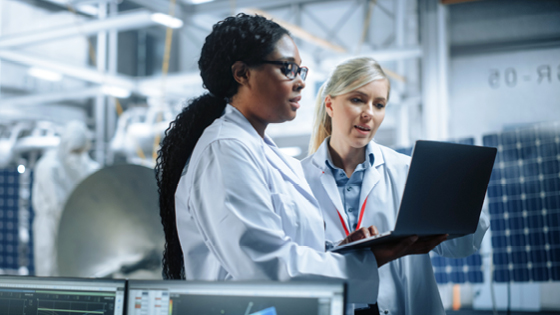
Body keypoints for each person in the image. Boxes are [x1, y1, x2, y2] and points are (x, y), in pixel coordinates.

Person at [155, 14, 445, 314]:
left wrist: (342, 250)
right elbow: (264, 267)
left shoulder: (270, 155)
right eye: (288, 69)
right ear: (242, 73)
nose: (301, 83)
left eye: (301, 70)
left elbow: (293, 250)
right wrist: (369, 260)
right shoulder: (224, 149)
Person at [301, 57, 490, 314]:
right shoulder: (297, 178)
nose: (369, 112)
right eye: (357, 99)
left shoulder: (409, 171)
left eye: (379, 104)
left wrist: (463, 203)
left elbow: (459, 248)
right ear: (330, 104)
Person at [32, 120, 99, 276]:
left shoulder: (85, 164)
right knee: (50, 271)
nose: (77, 155)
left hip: (76, 228)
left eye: (80, 151)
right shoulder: (49, 167)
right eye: (74, 150)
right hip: (50, 228)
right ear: (65, 145)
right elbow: (58, 205)